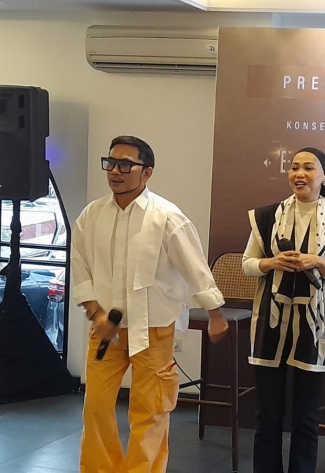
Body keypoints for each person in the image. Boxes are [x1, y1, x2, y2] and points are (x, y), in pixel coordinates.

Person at [71, 136, 229, 473]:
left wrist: (215, 313)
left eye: (125, 165)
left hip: (154, 330)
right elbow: (80, 266)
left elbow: (195, 267)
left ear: (147, 172)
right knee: (95, 407)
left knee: (150, 410)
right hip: (106, 331)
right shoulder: (91, 215)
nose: (115, 171)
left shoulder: (166, 216)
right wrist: (95, 313)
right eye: (110, 163)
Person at [242, 147, 325, 473]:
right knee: (268, 414)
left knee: (306, 416)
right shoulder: (266, 217)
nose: (299, 174)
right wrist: (271, 263)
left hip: (315, 327)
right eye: (294, 167)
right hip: (270, 322)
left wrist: (320, 263)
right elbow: (247, 264)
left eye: (308, 168)